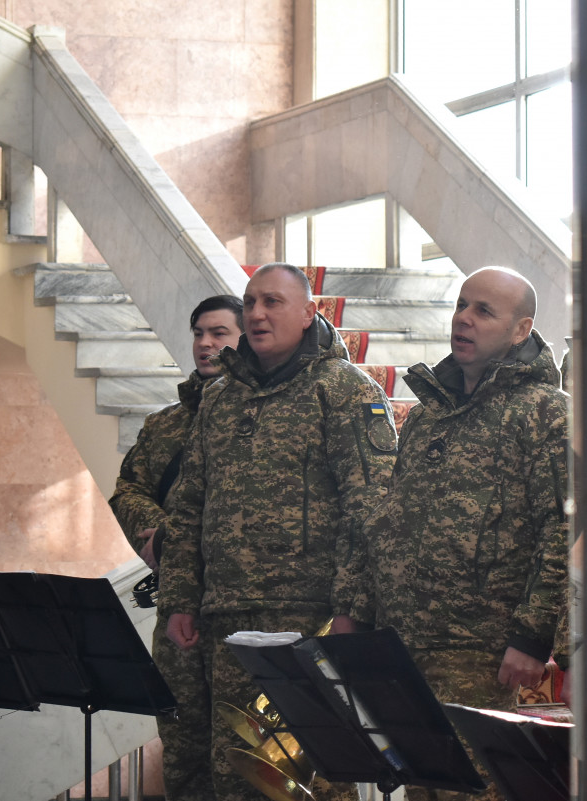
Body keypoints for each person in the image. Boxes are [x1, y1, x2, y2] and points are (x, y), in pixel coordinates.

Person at [159, 262, 398, 801]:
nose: (258, 314)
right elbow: (189, 506)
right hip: (228, 623)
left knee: (318, 781)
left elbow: (372, 508)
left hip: (309, 622)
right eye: (250, 303)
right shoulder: (220, 398)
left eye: (273, 302)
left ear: (310, 312)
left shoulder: (343, 389)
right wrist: (179, 599)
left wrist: (352, 610)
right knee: (237, 777)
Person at [358, 266, 570, 801]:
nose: (464, 319)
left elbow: (562, 530)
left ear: (521, 330)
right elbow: (390, 522)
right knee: (422, 789)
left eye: (483, 311)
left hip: (482, 651)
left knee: (474, 791)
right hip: (406, 644)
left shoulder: (544, 412)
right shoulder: (427, 416)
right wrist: (364, 616)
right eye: (461, 305)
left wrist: (532, 636)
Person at [108, 294, 244, 801]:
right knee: (183, 745)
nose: (206, 344)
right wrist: (160, 533)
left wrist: (182, 537)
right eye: (199, 334)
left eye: (219, 333)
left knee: (243, 757)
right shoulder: (166, 424)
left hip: (243, 605)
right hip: (179, 608)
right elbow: (128, 489)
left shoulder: (259, 418)